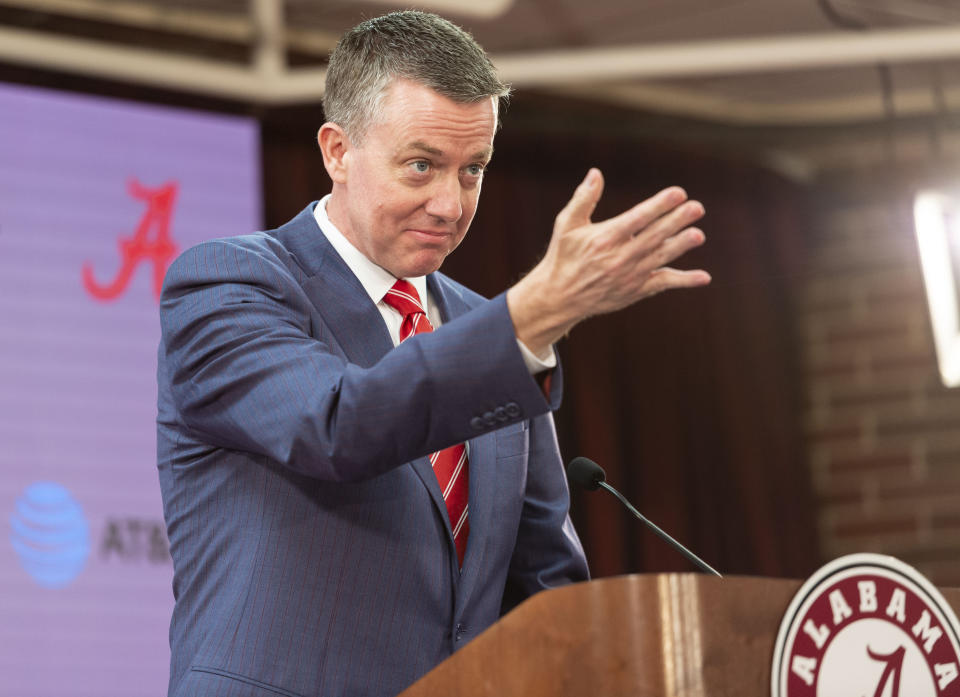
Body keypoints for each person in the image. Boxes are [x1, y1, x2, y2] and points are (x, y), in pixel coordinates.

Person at [156, 10, 709, 697]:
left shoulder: (489, 328)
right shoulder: (227, 284)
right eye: (421, 165)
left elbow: (544, 586)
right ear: (337, 151)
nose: (449, 203)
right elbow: (339, 425)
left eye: (472, 169)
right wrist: (532, 315)